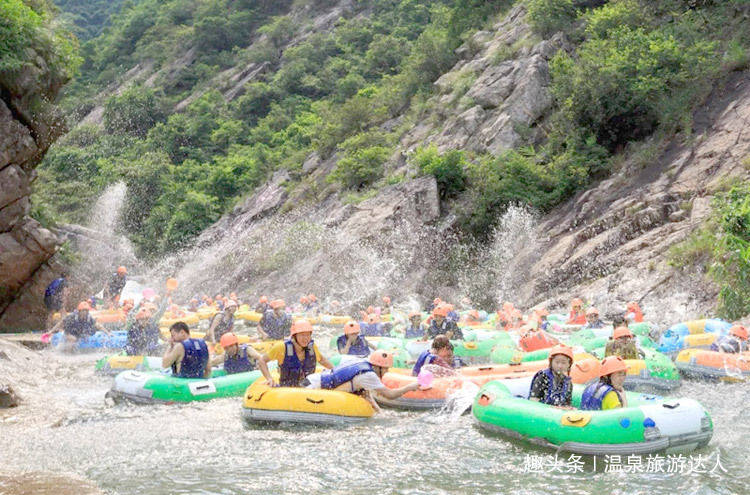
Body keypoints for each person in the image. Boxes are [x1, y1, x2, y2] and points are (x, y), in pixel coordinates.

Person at [306, 351, 427, 412]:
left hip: (313, 379)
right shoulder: (369, 375)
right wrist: (410, 387)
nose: (387, 372)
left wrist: (380, 413)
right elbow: (390, 395)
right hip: (313, 387)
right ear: (378, 367)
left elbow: (367, 395)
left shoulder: (363, 363)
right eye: (386, 369)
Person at [263, 319, 333, 387]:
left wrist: (334, 370)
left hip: (307, 387)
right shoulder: (282, 347)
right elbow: (262, 361)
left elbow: (322, 360)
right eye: (302, 335)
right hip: (286, 390)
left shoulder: (311, 348)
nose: (306, 338)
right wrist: (269, 378)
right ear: (294, 336)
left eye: (308, 335)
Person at [210, 333, 274, 379]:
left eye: (231, 346)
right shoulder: (225, 355)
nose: (229, 350)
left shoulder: (247, 350)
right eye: (226, 348)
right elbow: (212, 363)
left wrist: (259, 365)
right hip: (234, 378)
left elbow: (261, 358)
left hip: (250, 374)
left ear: (236, 345)